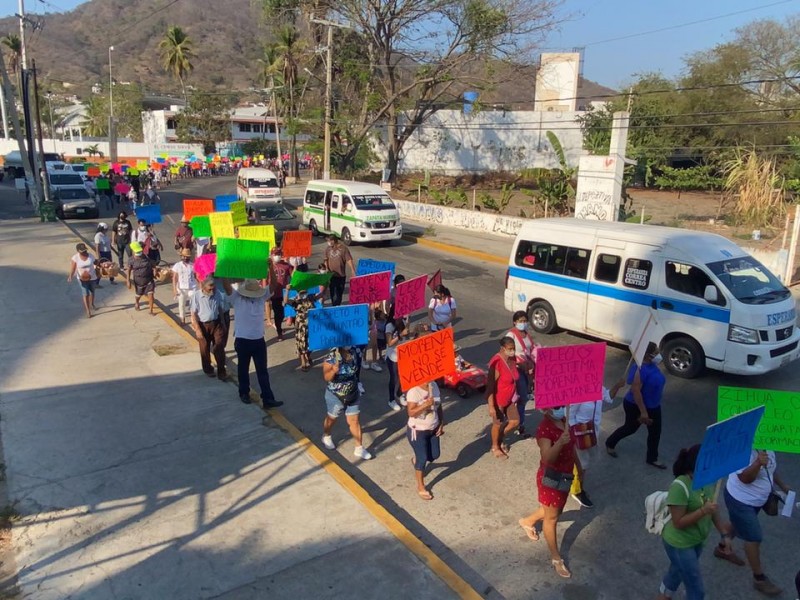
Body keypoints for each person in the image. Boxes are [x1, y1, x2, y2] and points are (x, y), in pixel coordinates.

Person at [657, 445, 740, 600]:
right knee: (696, 590)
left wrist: (724, 534)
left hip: (697, 540)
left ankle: (663, 596)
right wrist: (703, 511)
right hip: (680, 544)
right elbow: (678, 522)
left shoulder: (704, 481)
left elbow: (713, 509)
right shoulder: (679, 486)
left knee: (676, 572)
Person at [518, 405, 578, 579]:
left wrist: (579, 469)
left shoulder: (564, 421)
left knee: (553, 510)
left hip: (566, 474)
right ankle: (556, 558)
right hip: (551, 478)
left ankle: (527, 521)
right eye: (556, 406)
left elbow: (573, 448)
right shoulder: (544, 428)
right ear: (545, 409)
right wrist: (560, 442)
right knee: (552, 517)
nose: (560, 408)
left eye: (561, 405)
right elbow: (547, 458)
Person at [722, 450, 790, 597]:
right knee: (754, 537)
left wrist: (783, 486)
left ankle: (722, 548)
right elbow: (744, 478)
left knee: (737, 523)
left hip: (756, 500)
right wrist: (758, 462)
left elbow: (770, 468)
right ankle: (759, 578)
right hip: (741, 500)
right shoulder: (743, 449)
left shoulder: (768, 443)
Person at [605, 342, 668, 468]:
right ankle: (610, 443)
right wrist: (643, 412)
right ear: (647, 355)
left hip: (654, 406)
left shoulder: (651, 365)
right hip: (636, 406)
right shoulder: (639, 369)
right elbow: (636, 392)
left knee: (655, 432)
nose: (658, 355)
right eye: (655, 352)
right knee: (630, 428)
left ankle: (652, 458)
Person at [222, 279, 283, 408]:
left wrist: (270, 267)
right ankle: (244, 393)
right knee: (243, 369)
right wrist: (223, 272)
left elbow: (273, 285)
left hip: (258, 340)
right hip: (242, 339)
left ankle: (268, 398)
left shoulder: (261, 298)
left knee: (262, 371)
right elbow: (227, 286)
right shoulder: (236, 298)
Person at [567, 386, 618, 509]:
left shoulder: (598, 387)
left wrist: (617, 386)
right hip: (581, 433)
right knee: (582, 464)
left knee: (583, 463)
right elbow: (569, 415)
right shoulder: (578, 391)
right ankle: (577, 490)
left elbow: (608, 397)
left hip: (592, 432)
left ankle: (575, 484)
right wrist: (576, 433)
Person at [321, 346, 373, 460]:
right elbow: (326, 377)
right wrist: (333, 371)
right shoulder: (331, 357)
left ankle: (359, 448)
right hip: (335, 395)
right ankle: (326, 435)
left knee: (354, 421)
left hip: (352, 393)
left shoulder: (354, 352)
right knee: (332, 418)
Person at [406, 380, 444, 500]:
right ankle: (421, 486)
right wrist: (425, 405)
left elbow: (439, 406)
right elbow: (411, 412)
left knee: (434, 455)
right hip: (417, 431)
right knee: (423, 459)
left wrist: (441, 422)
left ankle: (416, 459)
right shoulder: (413, 391)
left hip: (433, 428)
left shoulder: (434, 385)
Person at [486, 336, 521, 459]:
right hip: (498, 400)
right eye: (510, 349)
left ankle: (500, 438)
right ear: (502, 349)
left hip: (510, 398)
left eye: (513, 348)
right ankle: (495, 446)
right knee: (497, 424)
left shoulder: (512, 359)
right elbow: (490, 387)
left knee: (515, 421)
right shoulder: (496, 363)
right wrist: (491, 406)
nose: (512, 351)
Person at [506, 311, 537, 438]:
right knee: (522, 398)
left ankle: (519, 423)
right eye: (520, 321)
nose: (523, 323)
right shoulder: (511, 335)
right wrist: (520, 363)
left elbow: (531, 349)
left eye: (525, 321)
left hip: (527, 370)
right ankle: (518, 424)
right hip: (517, 370)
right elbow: (507, 353)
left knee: (523, 398)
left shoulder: (527, 334)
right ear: (515, 322)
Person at [190, 276, 228, 380]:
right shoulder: (196, 296)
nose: (212, 289)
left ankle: (221, 371)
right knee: (204, 348)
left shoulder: (217, 294)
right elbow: (193, 314)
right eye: (210, 287)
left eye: (213, 287)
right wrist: (197, 329)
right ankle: (208, 369)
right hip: (202, 325)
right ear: (203, 286)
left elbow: (220, 308)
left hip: (216, 323)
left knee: (219, 346)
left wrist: (223, 323)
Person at [284, 287, 323, 371]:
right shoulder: (295, 300)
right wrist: (287, 290)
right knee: (301, 342)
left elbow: (321, 295)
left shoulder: (310, 297)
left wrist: (326, 284)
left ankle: (307, 356)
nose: (303, 293)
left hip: (311, 322)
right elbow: (285, 301)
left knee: (311, 342)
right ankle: (303, 361)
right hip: (301, 324)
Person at [385, 317, 411, 411]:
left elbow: (406, 338)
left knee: (402, 376)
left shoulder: (404, 321)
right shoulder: (389, 326)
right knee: (394, 378)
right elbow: (390, 343)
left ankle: (400, 394)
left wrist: (407, 327)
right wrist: (400, 334)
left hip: (403, 355)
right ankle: (391, 399)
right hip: (393, 356)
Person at [67, 243, 97, 318]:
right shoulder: (75, 258)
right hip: (82, 279)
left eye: (84, 250)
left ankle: (92, 304)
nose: (84, 252)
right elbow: (73, 268)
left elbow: (96, 262)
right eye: (82, 251)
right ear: (78, 251)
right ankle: (88, 310)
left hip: (92, 277)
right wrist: (70, 276)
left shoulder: (90, 256)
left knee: (92, 292)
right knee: (85, 293)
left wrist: (103, 265)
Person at [269, 248, 293, 340]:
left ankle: (281, 324)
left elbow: (293, 276)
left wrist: (295, 267)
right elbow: (264, 279)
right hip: (274, 294)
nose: (277, 256)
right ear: (271, 255)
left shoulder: (286, 265)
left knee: (283, 313)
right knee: (277, 313)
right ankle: (279, 331)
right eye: (275, 254)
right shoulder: (269, 266)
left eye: (279, 254)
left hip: (285, 294)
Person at [323, 234, 355, 306]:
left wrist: (353, 270)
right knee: (333, 292)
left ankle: (338, 304)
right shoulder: (327, 249)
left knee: (339, 292)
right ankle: (335, 306)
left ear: (334, 240)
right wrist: (326, 268)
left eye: (330, 240)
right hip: (331, 275)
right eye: (328, 241)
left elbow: (349, 259)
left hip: (341, 275)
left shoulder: (343, 249)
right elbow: (325, 259)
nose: (329, 242)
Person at [126, 242, 156, 315]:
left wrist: (155, 270)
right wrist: (128, 280)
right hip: (139, 281)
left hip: (149, 279)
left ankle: (151, 310)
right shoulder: (131, 260)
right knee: (138, 295)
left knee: (151, 294)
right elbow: (129, 270)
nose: (138, 256)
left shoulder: (146, 257)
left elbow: (153, 264)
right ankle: (137, 302)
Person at [171, 249, 197, 323]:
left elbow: (196, 276)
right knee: (181, 304)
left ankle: (193, 318)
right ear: (181, 256)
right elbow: (174, 278)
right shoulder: (177, 265)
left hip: (192, 287)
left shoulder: (192, 265)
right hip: (181, 288)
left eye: (187, 257)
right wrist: (174, 290)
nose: (185, 258)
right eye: (184, 257)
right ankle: (182, 318)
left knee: (193, 303)